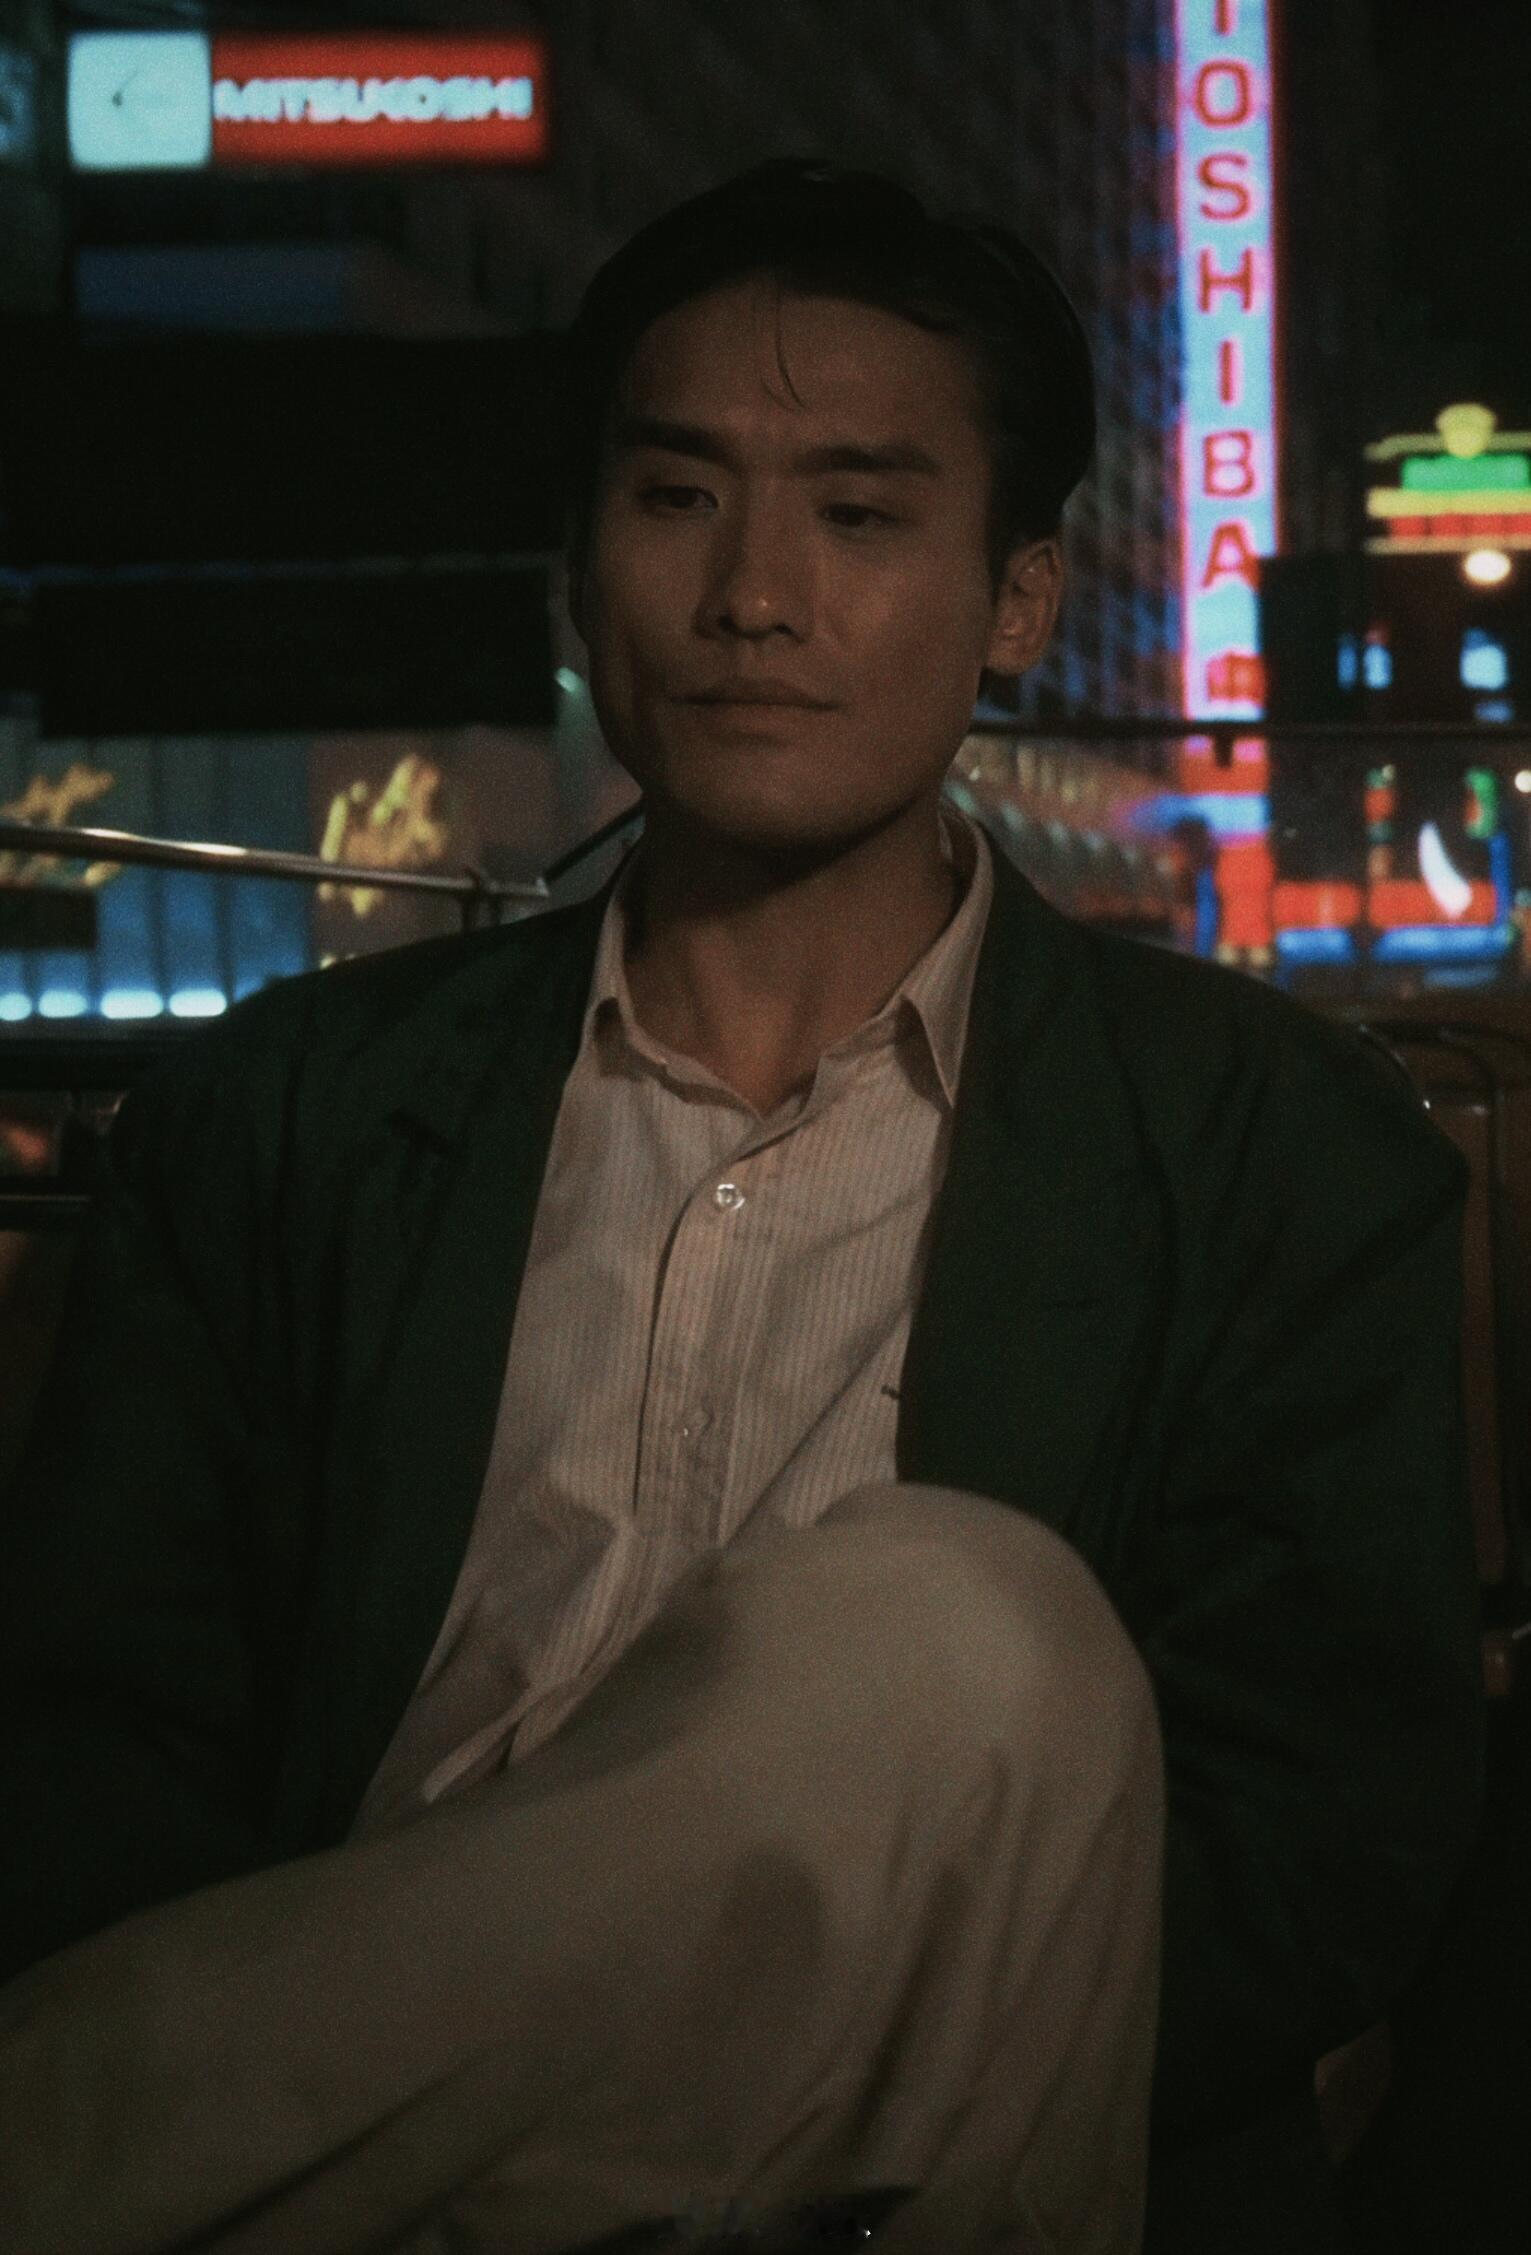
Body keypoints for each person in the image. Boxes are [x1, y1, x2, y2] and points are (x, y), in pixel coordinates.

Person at [0, 163, 1483, 2255]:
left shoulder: (1270, 1151)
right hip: (350, 2179)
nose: (754, 597)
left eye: (859, 517)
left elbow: (1314, 1829)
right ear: (577, 563)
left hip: (922, 2158)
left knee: (965, 1640)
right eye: (680, 497)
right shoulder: (290, 1115)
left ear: (1019, 601)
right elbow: (96, 1738)